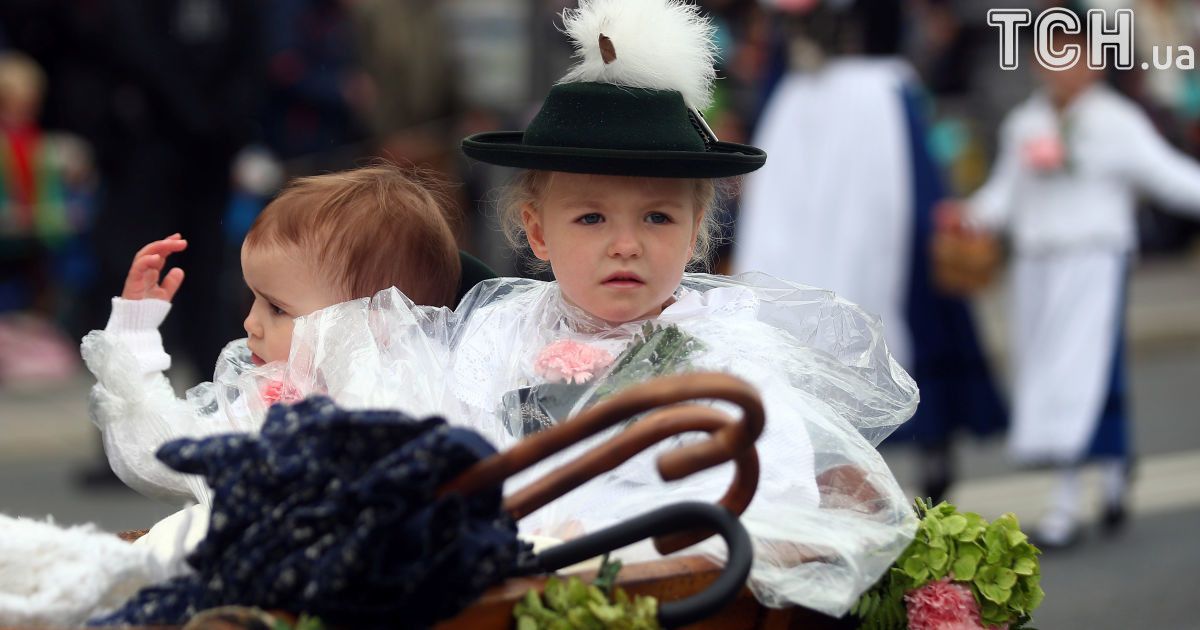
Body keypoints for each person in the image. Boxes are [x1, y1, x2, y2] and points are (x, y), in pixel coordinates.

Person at [279, 0, 919, 616]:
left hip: (663, 595)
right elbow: (454, 445)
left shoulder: (726, 350)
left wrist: (605, 542)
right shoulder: (500, 330)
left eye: (658, 217)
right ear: (536, 231)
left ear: (697, 232)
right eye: (590, 217)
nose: (626, 244)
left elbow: (763, 494)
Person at [733, 0, 1005, 503]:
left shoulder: (882, 80)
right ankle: (807, 448)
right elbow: (778, 54)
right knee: (791, 261)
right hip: (807, 110)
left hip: (869, 108)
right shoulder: (795, 88)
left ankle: (932, 436)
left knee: (901, 260)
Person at [941, 23, 1200, 548]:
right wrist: (968, 215)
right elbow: (1003, 196)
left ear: (1093, 62)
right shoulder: (1026, 123)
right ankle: (1112, 469)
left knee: (1078, 375)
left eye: (1070, 55)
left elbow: (1169, 176)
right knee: (1054, 372)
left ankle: (1064, 500)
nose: (1058, 65)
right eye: (1049, 55)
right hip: (1036, 267)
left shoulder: (1116, 121)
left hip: (1093, 261)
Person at [81, 164, 462, 507]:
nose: (250, 323)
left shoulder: (422, 408)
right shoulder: (270, 402)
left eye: (277, 308)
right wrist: (134, 331)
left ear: (376, 322)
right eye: (255, 300)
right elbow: (156, 454)